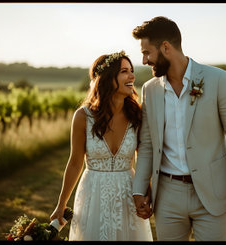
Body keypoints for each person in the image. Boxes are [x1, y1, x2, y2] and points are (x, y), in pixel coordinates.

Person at [131, 16, 226, 241]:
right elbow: (147, 144)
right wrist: (139, 190)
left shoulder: (218, 79)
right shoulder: (150, 90)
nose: (143, 60)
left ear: (166, 47)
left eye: (147, 52)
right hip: (167, 196)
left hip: (212, 192)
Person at [50, 51, 153, 241]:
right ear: (107, 78)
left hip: (127, 194)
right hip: (93, 193)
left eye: (131, 70)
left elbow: (144, 158)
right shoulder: (83, 116)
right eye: (124, 71)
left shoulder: (137, 114)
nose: (132, 76)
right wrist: (61, 204)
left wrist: (147, 193)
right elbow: (74, 163)